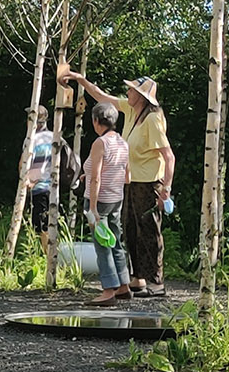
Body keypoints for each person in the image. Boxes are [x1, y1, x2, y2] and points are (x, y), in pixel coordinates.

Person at [57, 69, 174, 297]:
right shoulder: (131, 110)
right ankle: (138, 278)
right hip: (130, 181)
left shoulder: (153, 119)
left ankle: (156, 282)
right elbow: (102, 97)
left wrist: (166, 189)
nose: (128, 92)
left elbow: (168, 156)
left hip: (150, 183)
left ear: (142, 96)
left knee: (148, 231)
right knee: (129, 229)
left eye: (132, 89)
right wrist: (81, 80)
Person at [82, 101, 130, 305]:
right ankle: (124, 285)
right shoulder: (122, 142)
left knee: (102, 244)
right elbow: (127, 176)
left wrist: (92, 208)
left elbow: (96, 177)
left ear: (95, 121)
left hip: (99, 200)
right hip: (116, 198)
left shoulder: (100, 143)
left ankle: (108, 290)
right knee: (116, 241)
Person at [21, 111, 55, 236]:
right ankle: (49, 253)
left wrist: (25, 181)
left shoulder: (31, 140)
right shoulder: (54, 137)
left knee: (40, 227)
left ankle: (44, 254)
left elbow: (23, 163)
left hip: (36, 186)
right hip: (53, 187)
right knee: (49, 224)